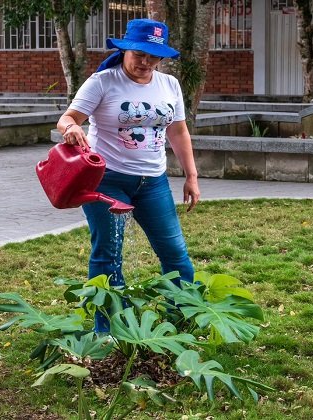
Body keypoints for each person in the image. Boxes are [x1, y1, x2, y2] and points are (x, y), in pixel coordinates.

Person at [56, 18, 200, 332]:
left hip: (154, 182)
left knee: (175, 253)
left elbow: (178, 130)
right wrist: (71, 129)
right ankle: (107, 330)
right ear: (126, 49)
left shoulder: (169, 85)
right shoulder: (103, 81)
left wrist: (191, 175)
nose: (146, 62)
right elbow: (68, 118)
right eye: (140, 54)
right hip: (106, 180)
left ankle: (181, 323)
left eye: (153, 56)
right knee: (108, 255)